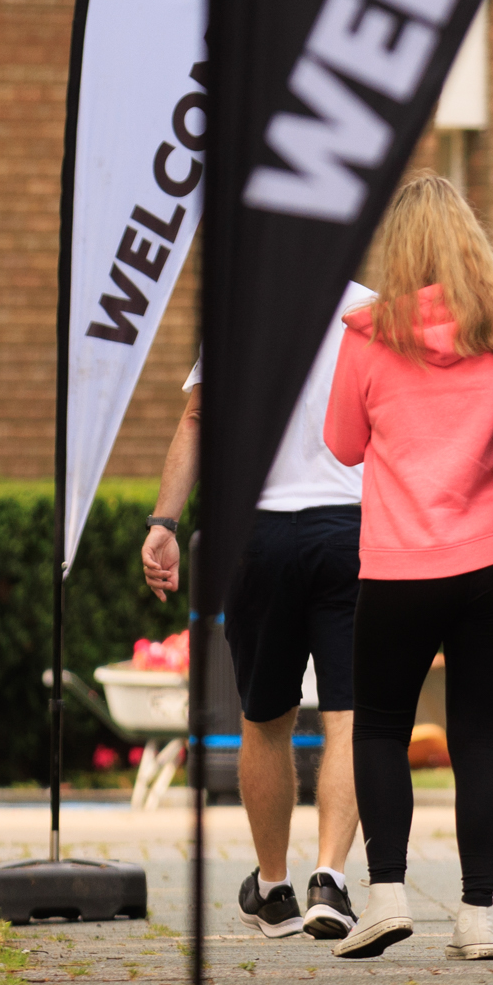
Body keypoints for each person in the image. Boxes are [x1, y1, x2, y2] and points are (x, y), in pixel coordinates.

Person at [319, 172, 493, 961]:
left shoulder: (367, 333)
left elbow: (345, 443)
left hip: (398, 565)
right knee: (479, 737)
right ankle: (477, 917)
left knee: (381, 727)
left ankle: (385, 893)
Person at [138, 280, 373, 940]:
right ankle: (331, 878)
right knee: (348, 716)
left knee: (265, 718)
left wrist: (164, 521)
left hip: (256, 532)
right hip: (349, 533)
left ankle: (273, 888)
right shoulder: (373, 312)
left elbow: (196, 418)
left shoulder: (244, 303)